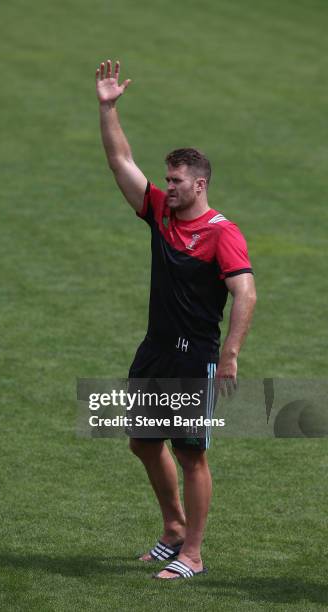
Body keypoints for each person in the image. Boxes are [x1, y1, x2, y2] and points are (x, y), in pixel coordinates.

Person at [95, 59, 257, 580]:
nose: (169, 186)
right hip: (156, 348)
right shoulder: (162, 213)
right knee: (143, 442)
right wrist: (108, 108)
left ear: (201, 184)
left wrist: (229, 354)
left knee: (191, 456)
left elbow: (246, 293)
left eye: (177, 180)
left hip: (195, 357)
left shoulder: (222, 232)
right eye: (167, 179)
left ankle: (193, 554)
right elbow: (121, 160)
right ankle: (172, 530)